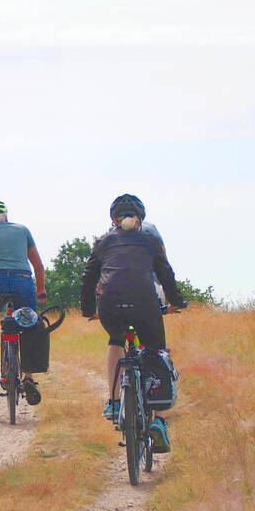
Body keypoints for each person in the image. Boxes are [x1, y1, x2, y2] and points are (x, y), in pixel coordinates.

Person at [79, 193, 186, 452]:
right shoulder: (150, 241)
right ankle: (159, 421)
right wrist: (176, 302)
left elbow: (88, 278)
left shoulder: (103, 242)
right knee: (156, 350)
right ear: (140, 219)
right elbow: (165, 274)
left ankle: (114, 402)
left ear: (113, 220)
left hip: (110, 306)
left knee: (116, 341)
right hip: (145, 305)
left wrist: (89, 310)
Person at [0, 199, 48, 404]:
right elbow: (38, 266)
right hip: (23, 280)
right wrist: (41, 290)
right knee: (28, 324)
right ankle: (28, 376)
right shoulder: (22, 230)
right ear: (6, 215)